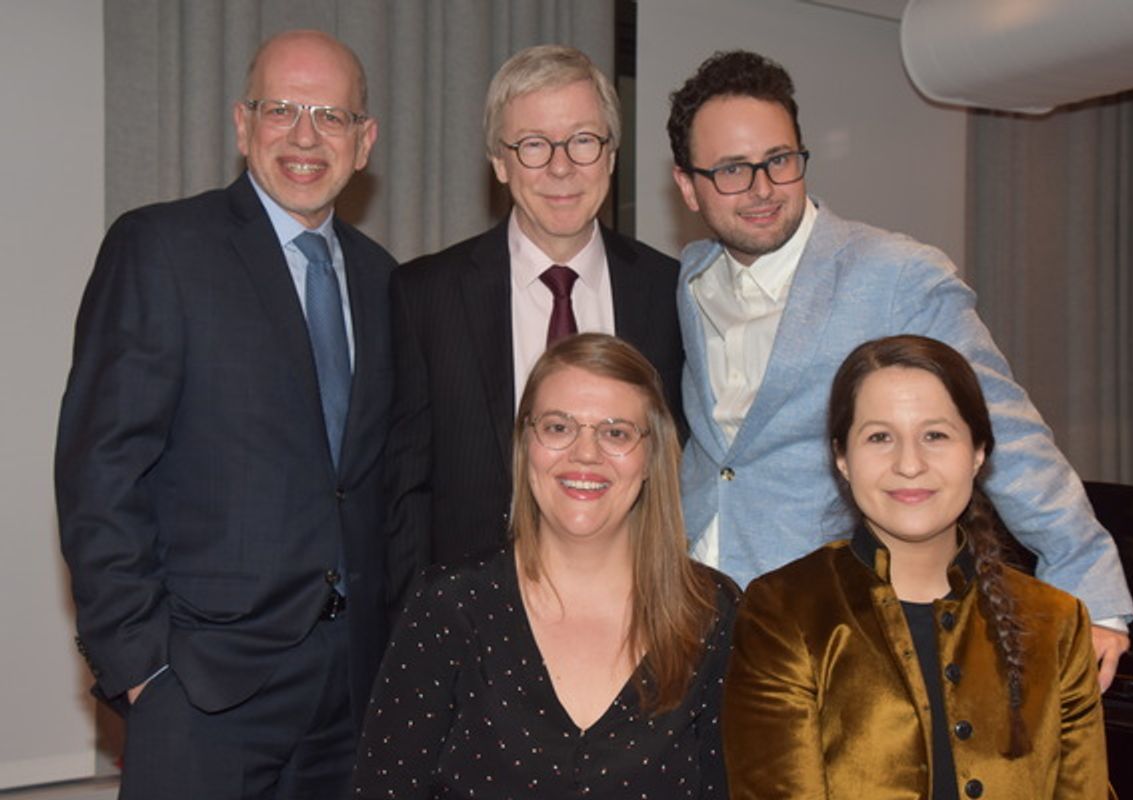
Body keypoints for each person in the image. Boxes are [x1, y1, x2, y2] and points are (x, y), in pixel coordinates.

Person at [667, 49, 1133, 688]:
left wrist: (1090, 582)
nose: (761, 187)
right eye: (730, 170)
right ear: (687, 186)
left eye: (779, 160)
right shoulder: (692, 277)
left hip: (829, 629)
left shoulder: (895, 274)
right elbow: (721, 454)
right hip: (691, 614)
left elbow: (1004, 425)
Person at [55, 29, 414, 799]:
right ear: (242, 123)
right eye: (281, 109)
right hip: (202, 690)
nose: (305, 136)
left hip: (350, 697)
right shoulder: (161, 249)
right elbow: (100, 471)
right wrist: (144, 668)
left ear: (365, 141)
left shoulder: (387, 283)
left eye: (331, 115)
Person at [723, 334, 1108, 799]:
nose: (910, 464)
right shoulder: (781, 612)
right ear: (842, 457)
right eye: (880, 437)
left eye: (936, 435)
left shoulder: (1058, 621)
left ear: (979, 451)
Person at [354, 333, 737, 799]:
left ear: (651, 457)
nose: (585, 453)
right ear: (525, 443)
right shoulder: (449, 608)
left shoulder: (711, 612)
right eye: (559, 427)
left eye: (615, 432)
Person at [388, 45, 684, 575]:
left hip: (634, 616)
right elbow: (404, 497)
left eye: (583, 141)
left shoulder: (672, 293)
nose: (561, 167)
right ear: (500, 163)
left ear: (612, 154)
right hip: (469, 623)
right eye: (533, 145)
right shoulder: (424, 296)